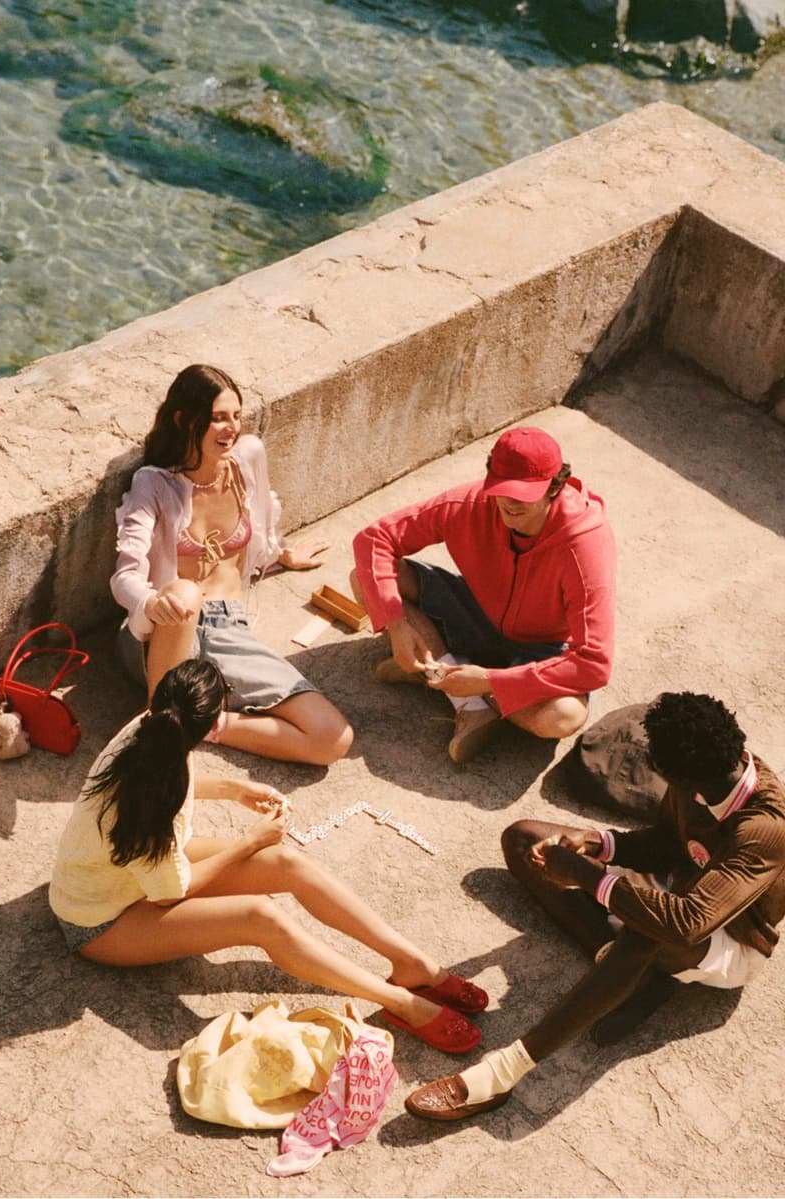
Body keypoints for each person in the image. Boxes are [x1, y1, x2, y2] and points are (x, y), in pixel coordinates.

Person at [48, 659, 489, 1055]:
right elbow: (169, 892)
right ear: (208, 726)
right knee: (261, 917)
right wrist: (249, 842)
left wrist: (234, 789)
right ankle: (399, 1002)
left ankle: (411, 963)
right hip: (102, 921)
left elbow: (169, 781)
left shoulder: (153, 729)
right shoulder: (149, 813)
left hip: (137, 870)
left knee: (286, 863)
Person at [404, 691, 785, 1120]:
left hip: (729, 940)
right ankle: (629, 976)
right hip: (677, 892)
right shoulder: (708, 775)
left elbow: (687, 924)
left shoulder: (766, 828)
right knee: (524, 839)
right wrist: (595, 844)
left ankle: (502, 1074)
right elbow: (666, 843)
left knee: (647, 934)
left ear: (682, 776)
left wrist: (588, 877)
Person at [111, 363, 352, 766]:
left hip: (228, 629)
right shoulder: (154, 483)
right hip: (166, 632)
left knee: (332, 738)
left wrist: (282, 554)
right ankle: (159, 720)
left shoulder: (247, 459)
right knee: (185, 592)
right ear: (184, 420)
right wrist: (152, 603)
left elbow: (261, 526)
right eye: (219, 418)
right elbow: (125, 577)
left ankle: (197, 724)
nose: (232, 428)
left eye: (237, 416)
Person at [351, 426, 616, 764]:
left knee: (562, 717)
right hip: (474, 611)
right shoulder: (473, 501)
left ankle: (446, 680)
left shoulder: (586, 544)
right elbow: (373, 540)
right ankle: (462, 694)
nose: (509, 502)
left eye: (524, 493)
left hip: (543, 649)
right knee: (365, 578)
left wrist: (491, 681)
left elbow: (594, 664)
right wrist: (397, 625)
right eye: (503, 488)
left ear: (555, 486)